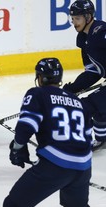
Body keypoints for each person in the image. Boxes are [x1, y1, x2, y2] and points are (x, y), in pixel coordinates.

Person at [3, 58, 93, 207]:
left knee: (14, 206)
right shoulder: (79, 102)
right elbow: (87, 137)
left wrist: (18, 147)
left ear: (40, 77)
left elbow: (26, 125)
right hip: (83, 167)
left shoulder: (38, 93)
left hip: (55, 164)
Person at [62, 0, 106, 151]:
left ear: (88, 17)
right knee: (98, 106)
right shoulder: (82, 38)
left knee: (89, 105)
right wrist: (74, 88)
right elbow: (93, 71)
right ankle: (102, 139)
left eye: (78, 18)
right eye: (72, 18)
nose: (74, 22)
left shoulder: (102, 31)